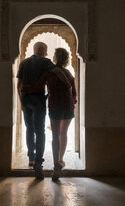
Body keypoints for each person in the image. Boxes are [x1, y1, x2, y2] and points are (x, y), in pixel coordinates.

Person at [22, 48, 77, 181]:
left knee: (55, 136)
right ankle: (61, 160)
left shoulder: (50, 73)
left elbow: (38, 87)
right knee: (63, 134)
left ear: (55, 58)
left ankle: (56, 166)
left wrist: (25, 89)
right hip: (68, 107)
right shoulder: (69, 73)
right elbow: (74, 94)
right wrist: (72, 102)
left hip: (55, 107)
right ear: (67, 59)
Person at [17, 42, 55, 179]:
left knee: (29, 128)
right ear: (41, 50)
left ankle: (31, 159)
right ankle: (38, 162)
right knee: (40, 130)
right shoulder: (46, 62)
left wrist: (21, 101)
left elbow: (18, 85)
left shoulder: (23, 63)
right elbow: (56, 73)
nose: (46, 53)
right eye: (45, 50)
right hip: (38, 100)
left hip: (25, 98)